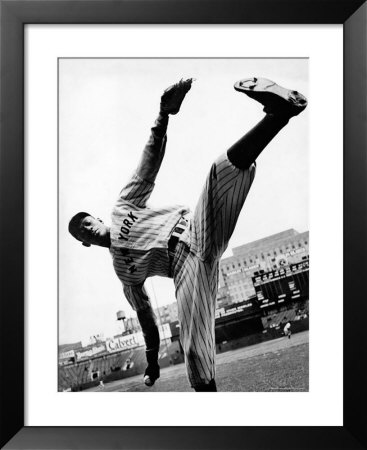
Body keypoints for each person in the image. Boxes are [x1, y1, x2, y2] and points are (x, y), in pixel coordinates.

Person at [69, 77, 307, 392]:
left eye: (86, 221)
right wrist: (152, 362)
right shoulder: (123, 271)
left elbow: (148, 164)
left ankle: (279, 114)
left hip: (194, 228)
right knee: (194, 350)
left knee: (218, 172)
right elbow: (147, 319)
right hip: (184, 269)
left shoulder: (122, 207)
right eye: (81, 232)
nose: (87, 228)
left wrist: (163, 115)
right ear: (86, 243)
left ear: (96, 218)